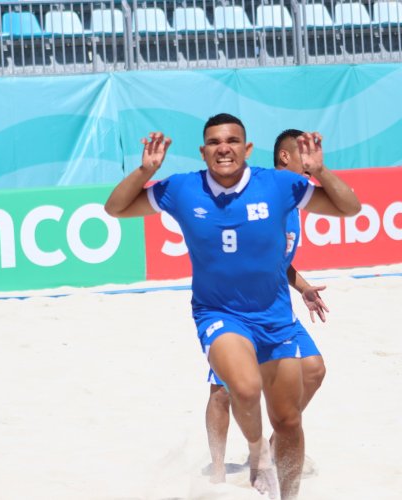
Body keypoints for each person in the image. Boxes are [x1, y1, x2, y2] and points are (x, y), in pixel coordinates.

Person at [104, 113, 360, 499]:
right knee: (241, 386)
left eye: (232, 140)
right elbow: (117, 209)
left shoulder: (278, 184)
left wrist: (321, 171)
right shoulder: (182, 189)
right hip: (219, 314)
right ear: (203, 150)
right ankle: (256, 455)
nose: (224, 147)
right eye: (215, 142)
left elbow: (349, 207)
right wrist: (144, 170)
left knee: (289, 420)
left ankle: (286, 493)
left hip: (275, 319)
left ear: (247, 148)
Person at [204, 128, 330, 484]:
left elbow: (277, 261)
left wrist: (302, 286)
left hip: (275, 307)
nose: (311, 171)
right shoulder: (258, 192)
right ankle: (217, 474)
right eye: (306, 163)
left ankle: (275, 442)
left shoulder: (295, 201)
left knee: (315, 370)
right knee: (222, 390)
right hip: (233, 307)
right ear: (286, 158)